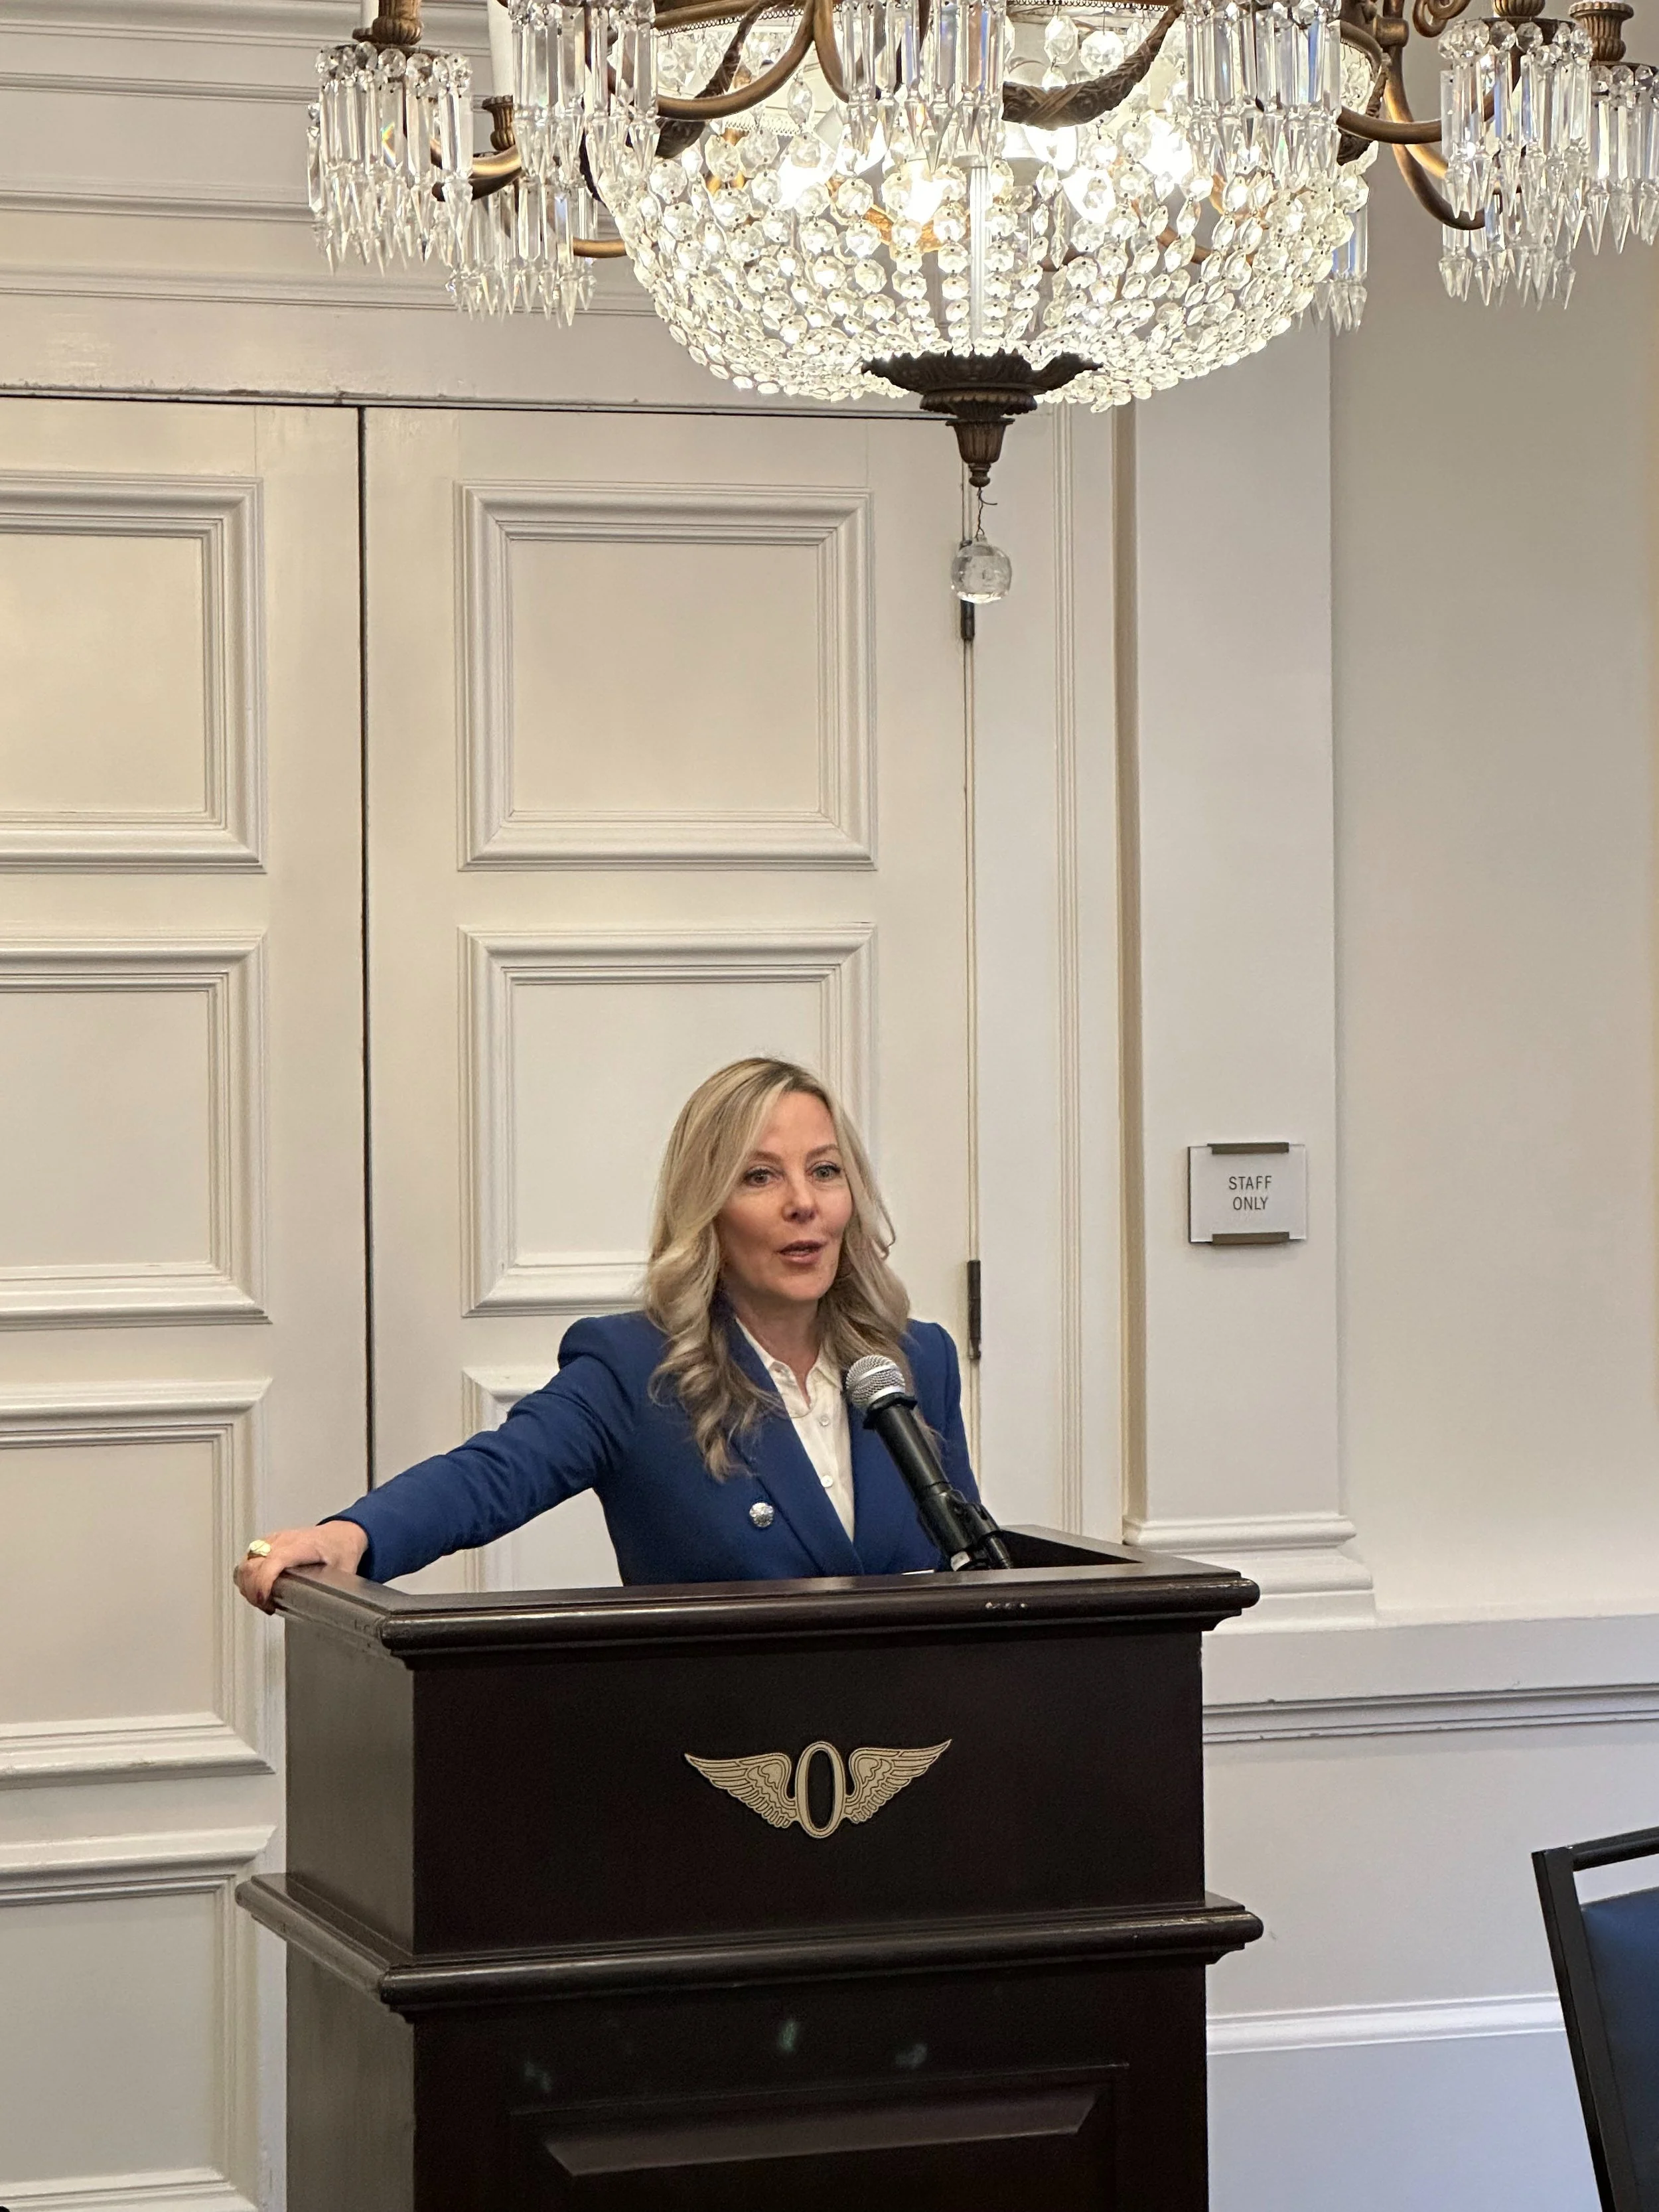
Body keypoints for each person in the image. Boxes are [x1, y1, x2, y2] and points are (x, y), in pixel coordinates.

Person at [234, 1057, 980, 1610]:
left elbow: (969, 1564)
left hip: (903, 1761)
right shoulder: (636, 1370)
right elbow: (494, 1474)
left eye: (824, 1171)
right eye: (759, 1178)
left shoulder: (914, 1362)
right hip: (722, 1765)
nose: (802, 1204)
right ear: (706, 1207)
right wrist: (349, 1539)